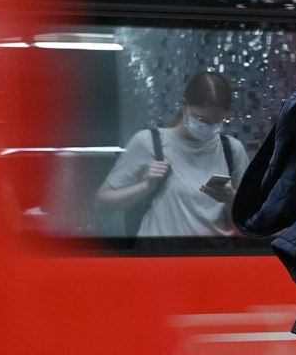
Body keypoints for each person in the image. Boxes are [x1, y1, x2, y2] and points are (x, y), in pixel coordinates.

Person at [97, 71, 248, 239]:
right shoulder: (149, 142)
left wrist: (231, 198)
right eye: (201, 120)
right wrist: (145, 186)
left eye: (217, 122)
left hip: (214, 258)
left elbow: (250, 222)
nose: (209, 127)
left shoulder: (232, 150)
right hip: (159, 257)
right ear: (184, 105)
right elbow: (103, 202)